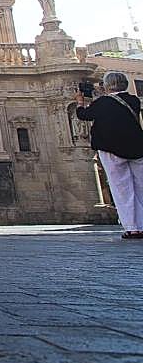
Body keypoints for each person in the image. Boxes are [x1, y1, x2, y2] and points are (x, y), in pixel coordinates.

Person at [75, 71, 143, 238]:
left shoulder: (103, 103)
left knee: (122, 189)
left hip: (111, 150)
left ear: (107, 86)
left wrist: (79, 102)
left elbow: (84, 115)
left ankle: (132, 228)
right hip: (136, 149)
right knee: (140, 187)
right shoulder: (133, 100)